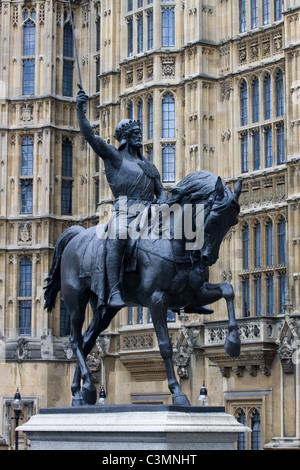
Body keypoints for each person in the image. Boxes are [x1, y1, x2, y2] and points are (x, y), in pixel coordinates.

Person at [76, 87, 167, 309]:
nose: (139, 137)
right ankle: (115, 290)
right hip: (126, 211)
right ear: (125, 138)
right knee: (117, 236)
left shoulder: (149, 166)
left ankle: (187, 288)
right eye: (135, 134)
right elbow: (90, 136)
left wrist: (163, 200)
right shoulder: (115, 158)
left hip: (151, 212)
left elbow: (161, 191)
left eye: (139, 133)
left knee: (182, 237)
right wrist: (80, 109)